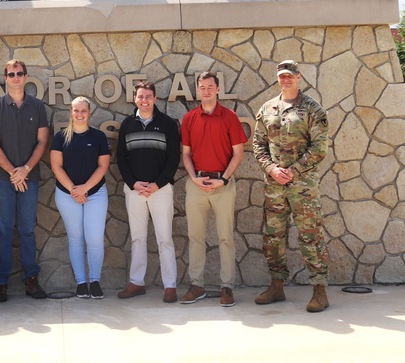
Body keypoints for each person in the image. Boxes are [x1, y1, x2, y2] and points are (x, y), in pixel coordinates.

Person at [252, 60, 330, 312]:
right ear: (277, 78)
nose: (285, 80)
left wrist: (293, 170)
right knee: (273, 236)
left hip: (303, 186)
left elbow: (319, 148)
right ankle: (277, 285)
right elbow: (258, 145)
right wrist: (272, 169)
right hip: (274, 185)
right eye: (282, 76)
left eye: (290, 76)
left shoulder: (312, 109)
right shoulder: (267, 109)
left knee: (311, 235)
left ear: (298, 77)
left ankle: (319, 290)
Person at [179, 72, 247, 307]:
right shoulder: (189, 118)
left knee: (226, 237)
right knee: (195, 237)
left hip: (222, 186)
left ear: (218, 89)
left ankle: (227, 288)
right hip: (196, 184)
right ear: (198, 90)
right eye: (202, 87)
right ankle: (197, 285)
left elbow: (238, 153)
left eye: (210, 87)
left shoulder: (229, 117)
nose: (206, 90)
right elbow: (185, 154)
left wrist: (224, 180)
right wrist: (193, 178)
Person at [0, 59, 50, 302]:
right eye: (11, 74)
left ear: (26, 76)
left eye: (19, 73)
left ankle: (31, 279)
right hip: (4, 179)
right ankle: (0, 282)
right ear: (5, 77)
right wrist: (14, 171)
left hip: (29, 179)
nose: (15, 77)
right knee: (2, 230)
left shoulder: (37, 107)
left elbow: (43, 142)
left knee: (27, 230)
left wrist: (26, 169)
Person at [115, 81, 181, 303]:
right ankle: (136, 283)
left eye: (148, 97)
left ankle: (170, 286)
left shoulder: (168, 124)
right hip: (134, 191)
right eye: (140, 96)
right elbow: (121, 159)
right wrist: (133, 183)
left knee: (165, 239)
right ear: (135, 98)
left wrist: (157, 184)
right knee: (138, 238)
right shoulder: (127, 125)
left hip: (160, 190)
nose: (144, 100)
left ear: (155, 99)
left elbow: (174, 158)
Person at [50, 96, 111, 299]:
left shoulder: (99, 137)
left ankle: (95, 280)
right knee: (75, 239)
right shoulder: (61, 137)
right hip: (67, 195)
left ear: (89, 112)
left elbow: (103, 166)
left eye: (83, 111)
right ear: (71, 112)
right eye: (76, 111)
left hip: (95, 194)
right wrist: (74, 190)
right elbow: (56, 166)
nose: (79, 114)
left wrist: (84, 188)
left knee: (94, 238)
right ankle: (81, 283)